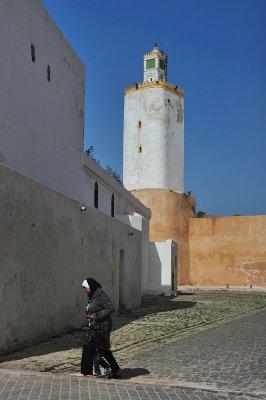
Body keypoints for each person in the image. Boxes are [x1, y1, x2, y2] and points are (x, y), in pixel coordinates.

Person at [81, 278, 121, 379]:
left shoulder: (101, 295)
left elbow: (110, 308)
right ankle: (113, 368)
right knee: (93, 348)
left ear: (91, 287)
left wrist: (96, 315)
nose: (84, 290)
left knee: (100, 348)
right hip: (94, 326)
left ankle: (91, 371)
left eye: (85, 287)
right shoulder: (91, 296)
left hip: (102, 327)